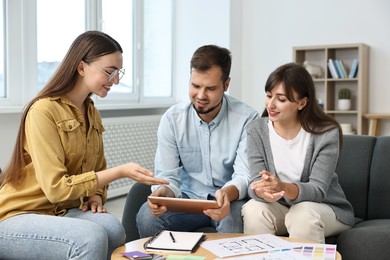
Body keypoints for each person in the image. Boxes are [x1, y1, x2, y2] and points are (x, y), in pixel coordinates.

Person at [0, 31, 168, 260]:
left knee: (112, 228)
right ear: (81, 68)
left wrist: (96, 196)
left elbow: (95, 169)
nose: (116, 80)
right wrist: (119, 172)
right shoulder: (42, 111)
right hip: (18, 215)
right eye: (110, 72)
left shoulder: (91, 112)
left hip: (60, 212)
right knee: (91, 237)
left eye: (119, 72)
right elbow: (56, 188)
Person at [136, 45, 259, 237]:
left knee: (233, 219)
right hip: (187, 199)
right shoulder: (172, 119)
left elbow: (244, 175)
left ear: (226, 85)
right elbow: (168, 175)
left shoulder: (247, 118)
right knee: (147, 216)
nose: (201, 96)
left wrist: (227, 194)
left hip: (229, 201)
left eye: (210, 88)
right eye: (195, 86)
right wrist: (162, 192)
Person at [241, 63, 354, 243]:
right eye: (269, 96)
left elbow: (317, 190)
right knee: (253, 209)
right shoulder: (256, 130)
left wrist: (282, 187)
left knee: (302, 214)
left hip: (323, 208)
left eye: (281, 99)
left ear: (302, 103)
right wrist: (262, 191)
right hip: (280, 208)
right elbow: (255, 182)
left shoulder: (326, 133)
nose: (271, 104)